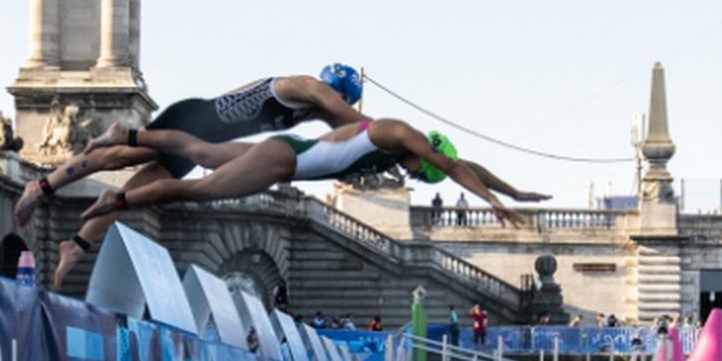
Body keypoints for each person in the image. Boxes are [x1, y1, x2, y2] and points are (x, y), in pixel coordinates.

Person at [19, 66, 370, 283]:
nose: (338, 108)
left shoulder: (310, 112)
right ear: (337, 92)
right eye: (343, 100)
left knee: (132, 192)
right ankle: (42, 187)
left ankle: (77, 244)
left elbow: (340, 136)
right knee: (115, 157)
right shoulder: (307, 87)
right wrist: (390, 138)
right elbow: (351, 122)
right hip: (193, 120)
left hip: (203, 141)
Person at [73, 117, 526, 236]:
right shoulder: (394, 132)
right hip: (282, 163)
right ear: (420, 155)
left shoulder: (394, 149)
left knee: (201, 151)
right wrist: (494, 204)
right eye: (419, 172)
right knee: (200, 188)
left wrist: (514, 190)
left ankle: (126, 133)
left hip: (286, 152)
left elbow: (465, 165)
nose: (410, 175)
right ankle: (116, 203)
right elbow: (450, 166)